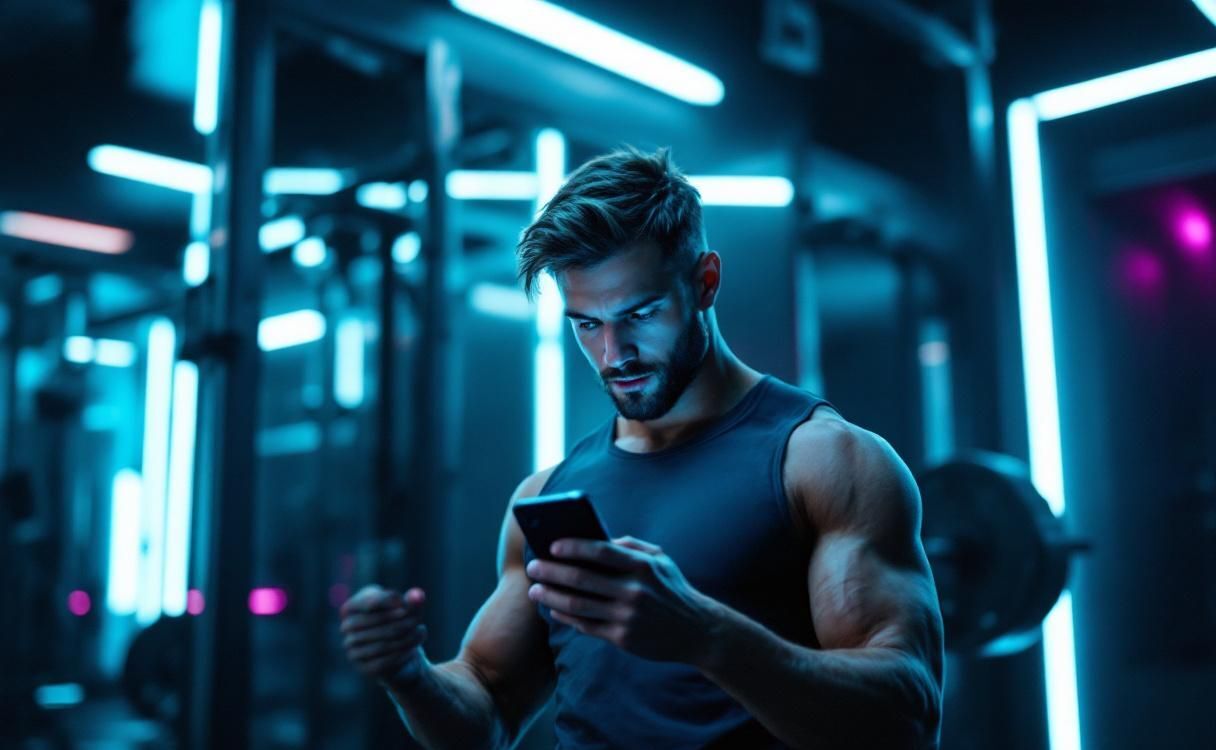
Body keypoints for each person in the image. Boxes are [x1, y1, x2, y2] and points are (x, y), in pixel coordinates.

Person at [340, 146, 944, 749]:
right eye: (587, 324)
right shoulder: (548, 494)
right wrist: (409, 675)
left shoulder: (824, 461)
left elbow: (905, 718)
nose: (614, 354)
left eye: (641, 313)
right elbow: (486, 709)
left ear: (704, 282)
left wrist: (706, 635)